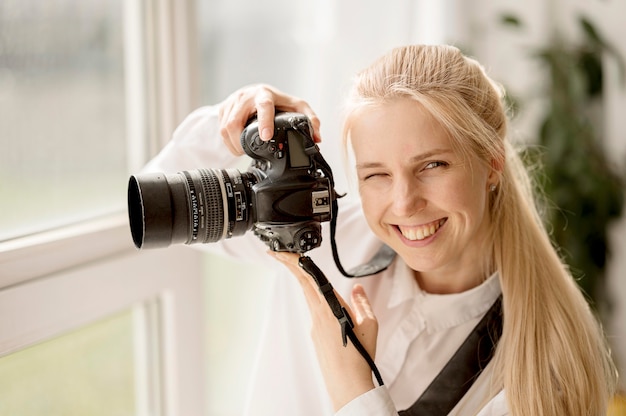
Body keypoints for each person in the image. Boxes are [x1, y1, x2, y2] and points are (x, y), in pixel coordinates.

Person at [143, 44, 617, 415]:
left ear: (491, 162)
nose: (404, 202)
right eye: (376, 174)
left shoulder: (545, 369)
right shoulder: (319, 235)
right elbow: (161, 203)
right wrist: (236, 119)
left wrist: (355, 393)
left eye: (432, 165)